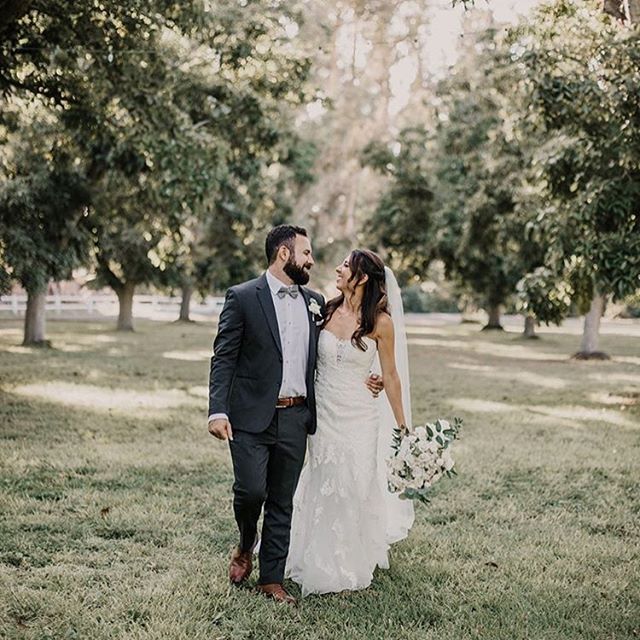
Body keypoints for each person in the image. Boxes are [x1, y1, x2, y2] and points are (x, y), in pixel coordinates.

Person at [207, 225, 382, 605]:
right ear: (284, 255)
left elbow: (341, 348)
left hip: (295, 417)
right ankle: (244, 541)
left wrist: (372, 376)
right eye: (306, 253)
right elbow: (223, 358)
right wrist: (217, 410)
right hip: (249, 416)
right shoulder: (242, 297)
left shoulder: (317, 300)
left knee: (283, 501)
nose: (312, 261)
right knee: (251, 491)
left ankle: (271, 579)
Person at [286, 249, 415, 596]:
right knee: (324, 476)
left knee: (352, 481)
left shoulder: (381, 323)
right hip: (323, 410)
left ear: (361, 278)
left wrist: (404, 429)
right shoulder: (324, 311)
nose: (339, 269)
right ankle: (313, 552)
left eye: (346, 266)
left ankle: (346, 558)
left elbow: (390, 375)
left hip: (359, 413)